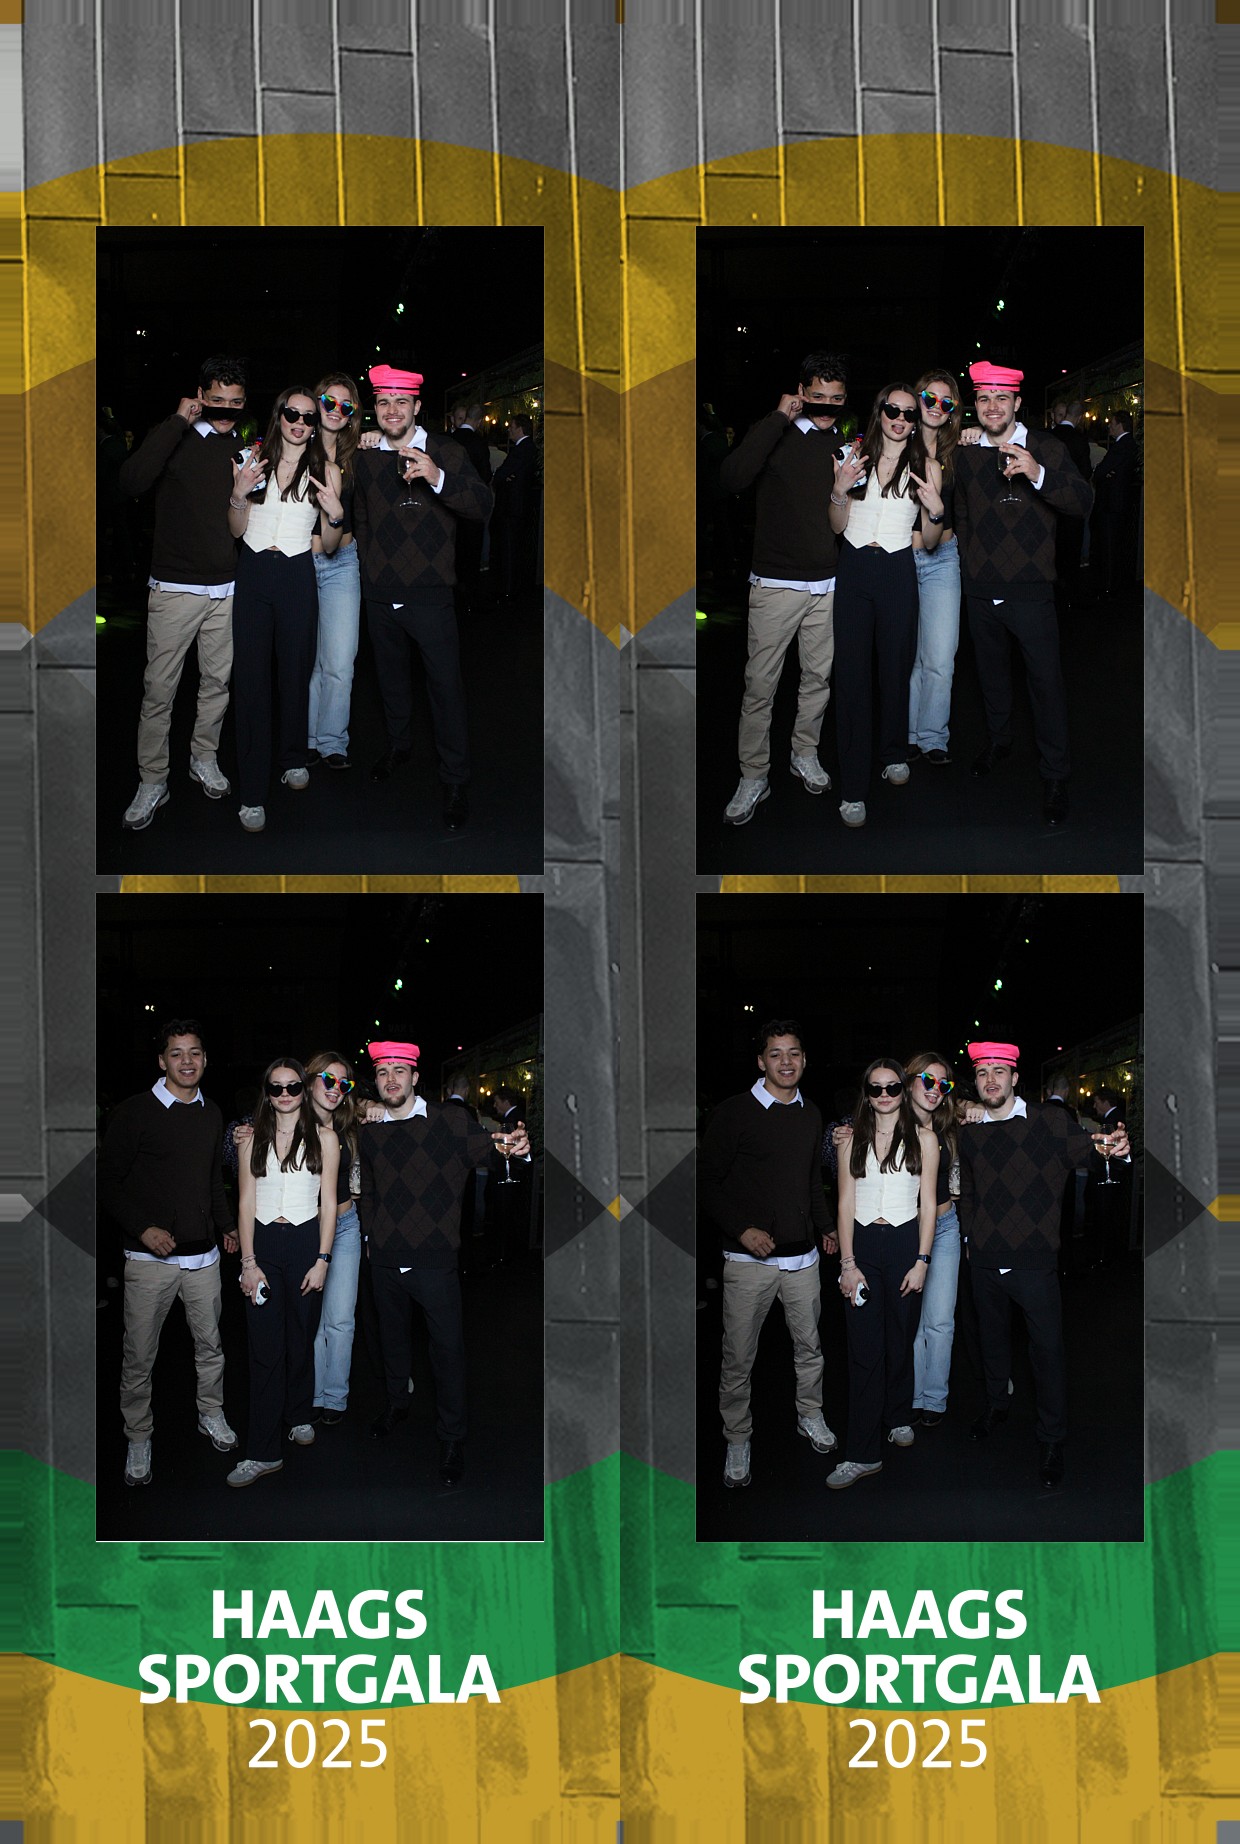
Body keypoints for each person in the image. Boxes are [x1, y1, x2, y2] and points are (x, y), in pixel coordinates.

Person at [958, 1041, 1129, 1489]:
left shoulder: (1048, 1121)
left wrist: (1116, 1150)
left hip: (1034, 1262)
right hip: (984, 1260)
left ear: (1015, 1078)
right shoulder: (969, 1132)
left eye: (999, 1071)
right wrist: (970, 1237)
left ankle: (1051, 1438)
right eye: (982, 1072)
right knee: (991, 1343)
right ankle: (996, 1405)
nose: (991, 1080)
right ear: (975, 1080)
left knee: (1047, 1352)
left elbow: (1091, 1153)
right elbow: (968, 1191)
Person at [359, 1040, 530, 1487]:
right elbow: (369, 1190)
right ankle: (397, 1404)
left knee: (448, 1352)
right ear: (376, 1079)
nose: (391, 1079)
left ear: (416, 1077)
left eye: (400, 1070)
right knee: (392, 1341)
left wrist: (517, 1148)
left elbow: (492, 1151)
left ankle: (452, 1437)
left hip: (435, 1261)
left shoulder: (448, 1121)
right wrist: (370, 1236)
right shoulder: (370, 1130)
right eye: (383, 1072)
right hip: (385, 1259)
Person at [698, 1019, 839, 1491]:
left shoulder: (811, 1113)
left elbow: (810, 1182)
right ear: (761, 1061)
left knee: (810, 1348)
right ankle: (737, 1438)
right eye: (776, 1054)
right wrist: (742, 1230)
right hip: (747, 1263)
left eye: (793, 1053)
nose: (786, 1061)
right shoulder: (734, 1112)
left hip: (803, 1261)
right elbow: (706, 1183)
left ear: (804, 1059)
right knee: (738, 1358)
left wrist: (826, 1226)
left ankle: (810, 1415)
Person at [97, 1019, 239, 1486]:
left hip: (204, 1261)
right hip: (148, 1262)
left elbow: (212, 1180)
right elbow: (107, 1182)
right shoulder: (134, 1112)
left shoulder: (211, 1112)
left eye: (194, 1052)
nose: (186, 1061)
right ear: (162, 1061)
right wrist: (143, 1229)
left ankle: (210, 1413)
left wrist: (227, 1225)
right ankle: (138, 1436)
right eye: (176, 1053)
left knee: (211, 1347)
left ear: (205, 1059)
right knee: (139, 1356)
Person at [351, 364, 492, 832]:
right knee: (390, 680)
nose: (392, 410)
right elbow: (363, 518)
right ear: (376, 408)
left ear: (417, 406)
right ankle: (398, 746)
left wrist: (438, 477)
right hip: (381, 593)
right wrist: (370, 571)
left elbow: (482, 506)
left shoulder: (447, 450)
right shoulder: (367, 455)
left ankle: (455, 779)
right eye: (383, 402)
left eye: (401, 402)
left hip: (431, 595)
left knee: (445, 689)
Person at [953, 361, 1094, 828]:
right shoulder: (967, 452)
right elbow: (964, 514)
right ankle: (999, 741)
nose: (992, 406)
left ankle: (1055, 774)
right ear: (976, 405)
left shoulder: (1047, 447)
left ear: (1017, 402)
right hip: (981, 588)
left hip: (1032, 590)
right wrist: (970, 567)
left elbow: (1082, 502)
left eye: (1001, 398)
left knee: (1045, 684)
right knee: (991, 676)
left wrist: (1038, 474)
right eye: (983, 398)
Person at [718, 353, 849, 826]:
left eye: (836, 399)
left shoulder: (843, 445)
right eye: (817, 397)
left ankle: (803, 753)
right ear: (800, 392)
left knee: (817, 681)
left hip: (828, 585)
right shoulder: (775, 432)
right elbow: (732, 477)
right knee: (760, 686)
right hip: (775, 585)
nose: (826, 407)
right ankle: (754, 775)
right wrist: (778, 416)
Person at [119, 355, 248, 831]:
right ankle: (153, 779)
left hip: (227, 590)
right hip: (174, 589)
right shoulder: (174, 436)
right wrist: (177, 420)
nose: (225, 410)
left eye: (235, 402)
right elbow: (131, 481)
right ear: (199, 396)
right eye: (216, 400)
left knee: (216, 685)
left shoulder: (242, 448)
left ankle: (203, 757)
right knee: (160, 691)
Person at [227, 386, 344, 833]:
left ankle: (293, 756)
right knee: (251, 680)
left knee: (295, 673)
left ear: (315, 425)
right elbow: (235, 530)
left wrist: (335, 515)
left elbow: (329, 545)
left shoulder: (326, 471)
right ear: (279, 415)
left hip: (297, 573)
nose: (299, 422)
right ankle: (252, 791)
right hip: (255, 571)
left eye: (309, 417)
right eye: (292, 414)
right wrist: (239, 494)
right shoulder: (252, 459)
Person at [829, 383, 945, 829]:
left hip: (898, 570)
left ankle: (894, 751)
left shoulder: (927, 467)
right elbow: (836, 526)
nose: (900, 419)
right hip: (855, 568)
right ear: (879, 412)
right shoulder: (852, 456)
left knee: (896, 669)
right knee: (852, 676)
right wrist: (839, 490)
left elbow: (930, 541)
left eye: (909, 413)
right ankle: (853, 786)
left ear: (916, 422)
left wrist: (935, 512)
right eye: (892, 410)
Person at [229, 1058, 339, 1487]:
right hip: (263, 1245)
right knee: (264, 1348)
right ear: (267, 1093)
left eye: (293, 1086)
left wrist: (323, 1259)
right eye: (276, 1088)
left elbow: (328, 1203)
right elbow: (244, 1203)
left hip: (306, 1242)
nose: (286, 1094)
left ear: (303, 1089)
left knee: (301, 1337)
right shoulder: (249, 1139)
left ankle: (298, 1413)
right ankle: (262, 1452)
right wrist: (249, 1262)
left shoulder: (326, 1138)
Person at [828, 1060, 937, 1489]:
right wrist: (848, 1263)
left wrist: (922, 1260)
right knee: (864, 1349)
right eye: (876, 1089)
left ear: (903, 1090)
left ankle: (897, 1415)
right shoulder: (849, 1139)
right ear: (867, 1093)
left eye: (893, 1087)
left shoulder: (925, 1139)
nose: (885, 1095)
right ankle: (862, 1453)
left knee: (900, 1337)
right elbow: (843, 1204)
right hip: (863, 1247)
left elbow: (928, 1204)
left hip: (906, 1242)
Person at [306, 373, 363, 772]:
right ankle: (309, 739)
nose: (336, 410)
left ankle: (332, 741)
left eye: (345, 405)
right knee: (310, 660)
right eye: (329, 401)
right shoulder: (294, 445)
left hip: (342, 562)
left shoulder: (358, 453)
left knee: (340, 661)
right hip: (301, 562)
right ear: (317, 401)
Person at [906, 371, 963, 766]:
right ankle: (909, 734)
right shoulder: (895, 442)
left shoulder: (958, 450)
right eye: (930, 398)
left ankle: (933, 737)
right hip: (902, 558)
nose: (936, 407)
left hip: (943, 559)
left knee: (941, 657)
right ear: (917, 398)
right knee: (910, 656)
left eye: (946, 402)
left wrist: (977, 433)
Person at [442, 403, 493, 613]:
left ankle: (451, 596)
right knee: (471, 555)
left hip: (448, 506)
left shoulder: (447, 440)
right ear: (479, 421)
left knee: (452, 552)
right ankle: (469, 600)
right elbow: (485, 476)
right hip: (471, 508)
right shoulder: (479, 443)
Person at [1090, 411, 1139, 599]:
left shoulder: (1120, 446)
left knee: (1109, 545)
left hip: (1111, 505)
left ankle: (1108, 585)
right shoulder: (1132, 445)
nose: (1109, 426)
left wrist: (1103, 472)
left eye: (1112, 423)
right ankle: (1115, 583)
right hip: (1122, 503)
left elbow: (1100, 472)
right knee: (1118, 544)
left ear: (1119, 424)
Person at [490, 413, 539, 601]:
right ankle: (514, 586)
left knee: (509, 548)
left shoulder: (520, 450)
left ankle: (508, 588)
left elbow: (501, 475)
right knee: (517, 548)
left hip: (511, 508)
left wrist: (503, 477)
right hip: (522, 507)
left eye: (511, 426)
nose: (508, 429)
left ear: (519, 428)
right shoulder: (531, 449)